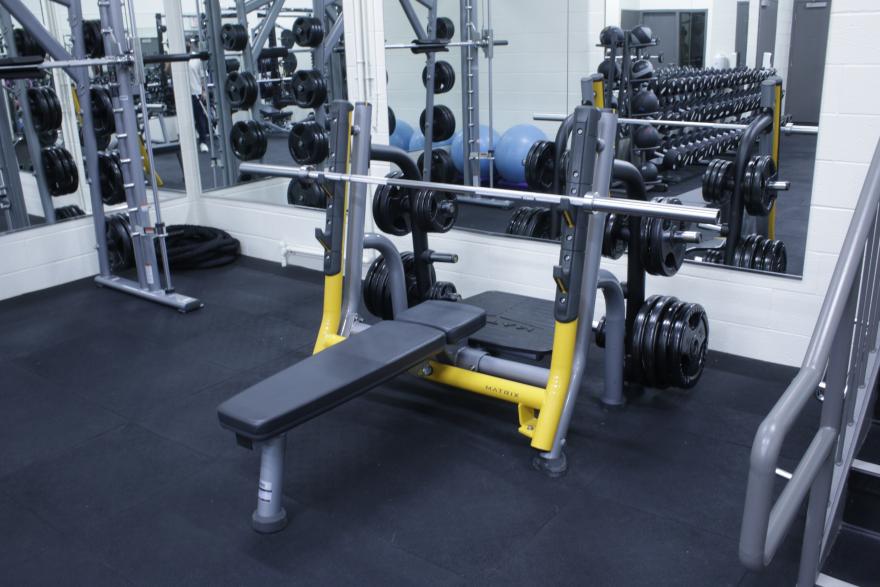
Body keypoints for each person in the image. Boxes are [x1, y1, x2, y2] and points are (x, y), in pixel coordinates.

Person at [187, 40, 210, 153]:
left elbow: (202, 76)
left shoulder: (196, 59)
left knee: (200, 119)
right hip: (182, 95)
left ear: (190, 44)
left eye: (187, 43)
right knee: (186, 120)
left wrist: (204, 91)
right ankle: (188, 143)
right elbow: (167, 71)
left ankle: (203, 142)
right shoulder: (176, 58)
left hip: (196, 92)